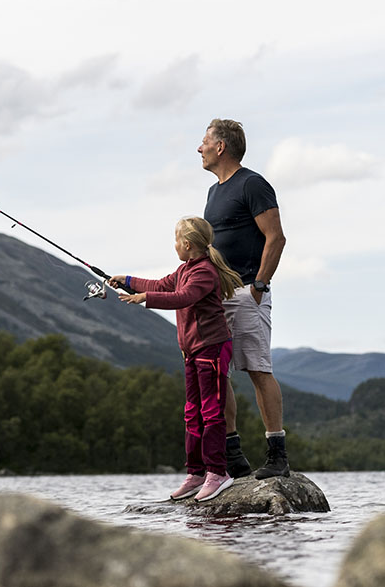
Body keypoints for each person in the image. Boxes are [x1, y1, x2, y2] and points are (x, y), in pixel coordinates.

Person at [109, 217, 244, 502]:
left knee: (210, 412)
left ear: (186, 244)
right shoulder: (184, 269)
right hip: (192, 351)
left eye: (175, 241)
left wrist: (144, 298)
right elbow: (162, 285)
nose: (174, 246)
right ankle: (196, 474)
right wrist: (128, 281)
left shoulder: (204, 272)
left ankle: (218, 473)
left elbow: (183, 297)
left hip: (212, 349)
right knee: (192, 413)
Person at [199, 118, 290, 480]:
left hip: (248, 293)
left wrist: (259, 287)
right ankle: (234, 456)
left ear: (221, 147)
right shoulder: (212, 192)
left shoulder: (252, 184)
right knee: (217, 372)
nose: (199, 147)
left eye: (204, 141)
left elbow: (276, 237)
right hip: (216, 297)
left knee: (257, 369)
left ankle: (277, 456)